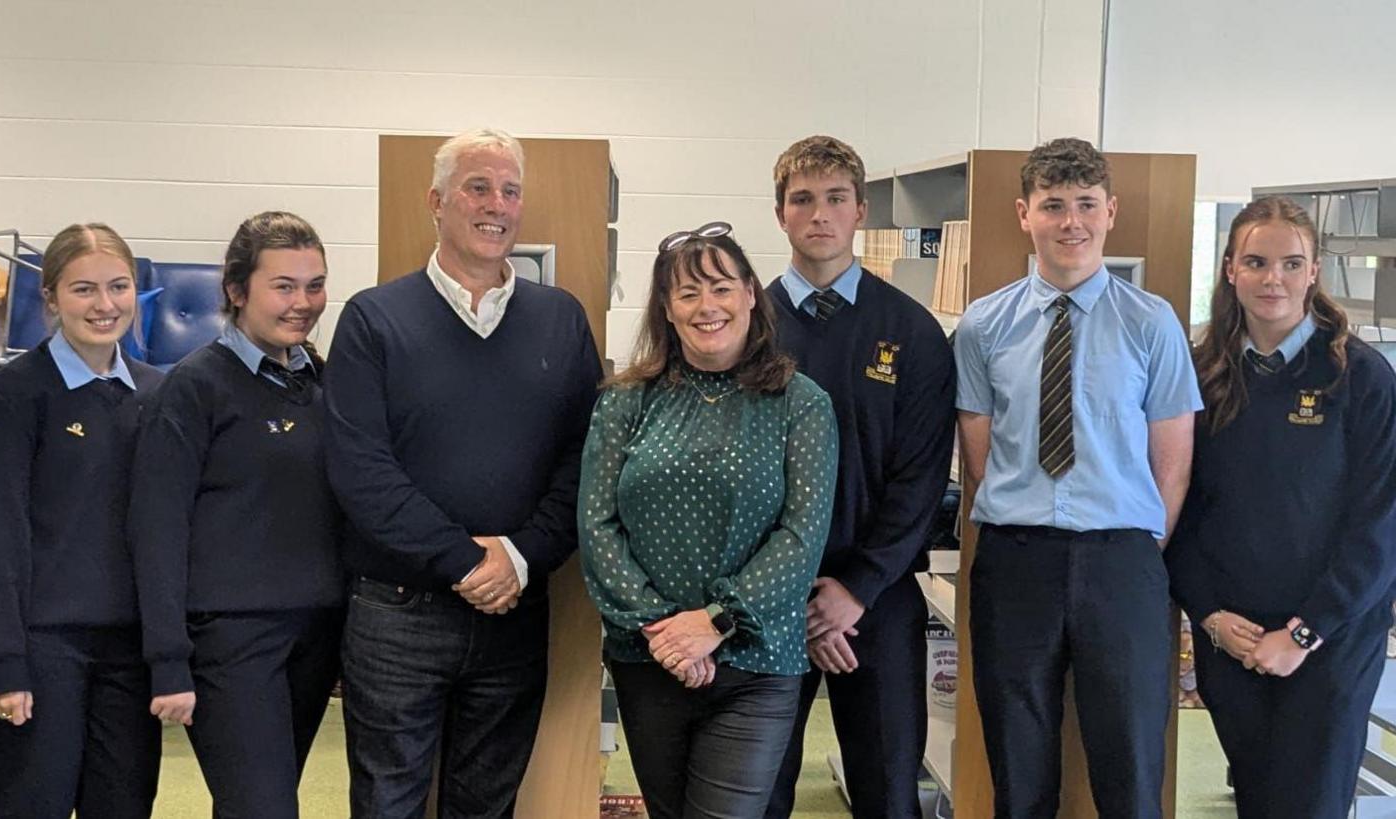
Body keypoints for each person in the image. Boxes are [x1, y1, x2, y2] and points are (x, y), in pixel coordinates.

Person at [324, 128, 603, 819]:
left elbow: (586, 458)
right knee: (387, 801)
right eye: (478, 186)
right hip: (397, 613)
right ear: (436, 201)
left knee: (486, 805)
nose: (497, 205)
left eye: (510, 190)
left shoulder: (560, 320)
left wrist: (518, 555)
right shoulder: (374, 319)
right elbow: (361, 470)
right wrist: (466, 560)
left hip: (515, 610)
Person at [953, 137, 1202, 818]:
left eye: (1086, 204)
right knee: (1017, 757)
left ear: (1111, 211)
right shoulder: (982, 325)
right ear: (1024, 213)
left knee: (1129, 760)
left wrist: (1129, 545)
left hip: (1122, 558)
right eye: (1054, 205)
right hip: (1016, 557)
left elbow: (1171, 465)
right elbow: (980, 458)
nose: (1072, 221)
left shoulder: (1152, 324)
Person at [579, 223, 839, 819]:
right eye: (687, 293)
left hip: (756, 660)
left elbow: (801, 537)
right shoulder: (626, 400)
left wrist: (715, 622)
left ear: (751, 294)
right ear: (667, 310)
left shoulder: (801, 404)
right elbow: (596, 526)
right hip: (651, 657)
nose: (707, 307)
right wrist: (665, 631)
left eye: (721, 287)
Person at [1166, 195, 1396, 819]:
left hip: (1328, 641)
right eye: (1258, 262)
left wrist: (1304, 632)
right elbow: (1177, 507)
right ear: (1229, 269)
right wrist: (1208, 613)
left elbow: (1381, 524)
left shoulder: (1361, 376)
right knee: (1259, 801)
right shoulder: (1201, 374)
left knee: (1310, 803)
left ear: (1315, 271)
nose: (1274, 279)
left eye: (1292, 264)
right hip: (1232, 638)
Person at [762, 136, 956, 819]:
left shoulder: (912, 330)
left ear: (861, 210)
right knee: (757, 795)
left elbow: (921, 477)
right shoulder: (744, 328)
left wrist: (855, 590)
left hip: (878, 599)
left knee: (889, 794)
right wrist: (790, 596)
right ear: (780, 213)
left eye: (835, 198)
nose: (820, 214)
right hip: (763, 603)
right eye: (803, 199)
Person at [129, 211, 343, 819]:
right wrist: (167, 656)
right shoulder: (194, 388)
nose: (303, 303)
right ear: (235, 289)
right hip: (231, 640)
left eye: (315, 285)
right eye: (284, 286)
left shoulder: (325, 382)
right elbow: (157, 526)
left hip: (316, 635)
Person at [0, 223, 163, 818]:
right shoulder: (16, 393)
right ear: (50, 299)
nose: (104, 306)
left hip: (130, 651)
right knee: (34, 804)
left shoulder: (157, 394)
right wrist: (3, 661)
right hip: (42, 649)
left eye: (118, 287)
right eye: (83, 290)